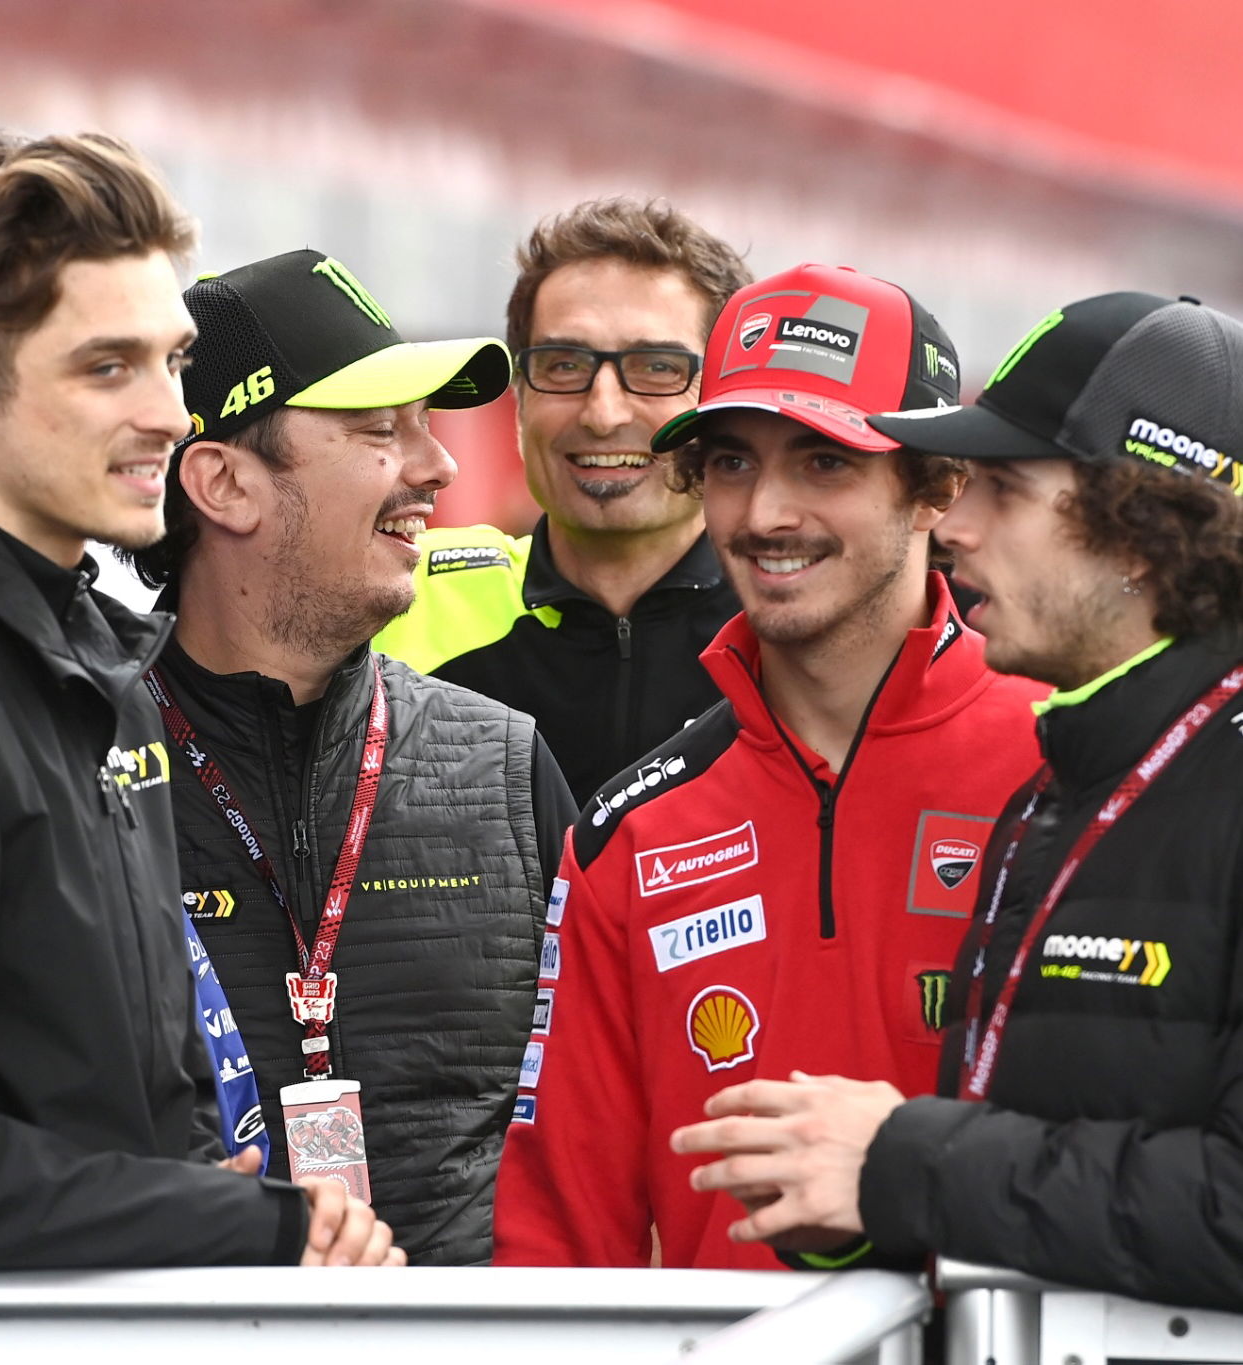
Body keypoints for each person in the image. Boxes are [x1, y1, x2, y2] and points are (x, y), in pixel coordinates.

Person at [0, 132, 399, 1269]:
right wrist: (253, 1227)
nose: (171, 413)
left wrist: (186, 1201)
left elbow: (121, 1109)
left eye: (173, 361)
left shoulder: (94, 662)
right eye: (108, 368)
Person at [671, 290, 1243, 1311]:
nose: (957, 528)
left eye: (1009, 490)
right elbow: (1042, 1186)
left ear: (1144, 532)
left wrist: (902, 1161)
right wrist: (855, 1207)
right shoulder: (1062, 784)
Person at [491, 263, 1048, 1270]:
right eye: (733, 464)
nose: (765, 515)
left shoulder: (1070, 766)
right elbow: (558, 1237)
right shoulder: (628, 833)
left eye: (824, 463)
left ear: (935, 486)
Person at [126, 249, 576, 1265]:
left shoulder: (504, 762)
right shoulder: (79, 764)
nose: (439, 467)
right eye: (381, 430)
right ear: (224, 482)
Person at [375, 198, 751, 804]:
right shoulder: (394, 597)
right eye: (564, 364)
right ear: (520, 399)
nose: (603, 414)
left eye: (657, 366)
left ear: (726, 401)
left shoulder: (795, 628)